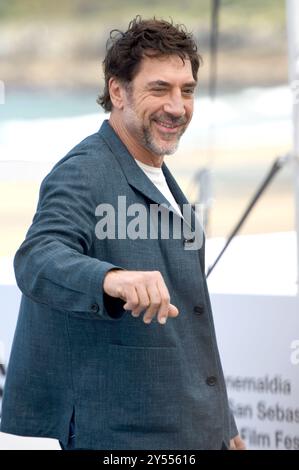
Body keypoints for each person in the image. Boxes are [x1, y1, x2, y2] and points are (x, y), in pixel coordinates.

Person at [1, 16, 245, 450]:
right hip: (121, 435)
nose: (177, 106)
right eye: (159, 88)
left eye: (186, 90)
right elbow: (37, 256)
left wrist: (222, 426)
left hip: (189, 429)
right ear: (118, 91)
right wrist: (112, 278)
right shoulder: (83, 171)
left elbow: (192, 323)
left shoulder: (161, 178)